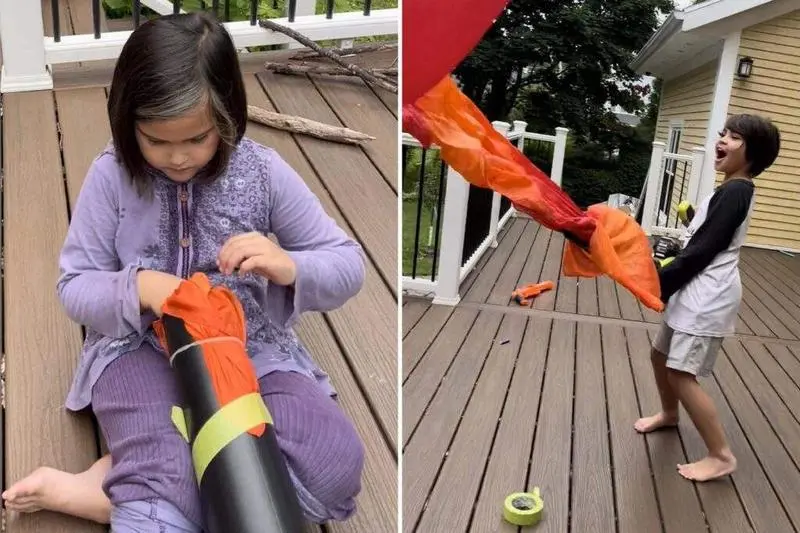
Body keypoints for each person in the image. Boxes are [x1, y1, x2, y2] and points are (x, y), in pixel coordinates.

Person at [1, 11, 366, 531]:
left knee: (332, 466)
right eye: (155, 139)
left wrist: (289, 265)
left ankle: (117, 487)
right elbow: (74, 285)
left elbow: (347, 263)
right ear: (128, 121)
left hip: (249, 351)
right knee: (178, 485)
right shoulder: (113, 177)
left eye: (197, 138)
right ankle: (153, 485)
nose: (176, 157)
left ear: (227, 115)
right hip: (140, 350)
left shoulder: (262, 171)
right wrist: (139, 287)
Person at [634, 113, 781, 482]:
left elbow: (704, 250)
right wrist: (691, 220)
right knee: (660, 356)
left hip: (707, 297)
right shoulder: (729, 188)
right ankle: (670, 415)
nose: (723, 140)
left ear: (753, 152)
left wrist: (660, 283)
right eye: (723, 134)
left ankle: (721, 455)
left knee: (681, 372)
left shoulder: (736, 191)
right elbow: (707, 234)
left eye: (734, 137)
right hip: (694, 290)